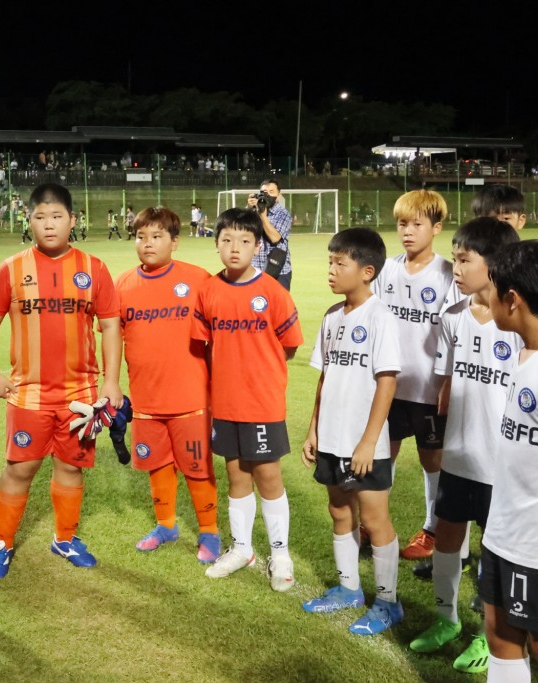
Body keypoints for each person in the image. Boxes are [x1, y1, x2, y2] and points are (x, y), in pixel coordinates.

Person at [0, 183, 123, 579]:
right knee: (19, 469)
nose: (48, 225)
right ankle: (1, 542)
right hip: (28, 395)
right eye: (40, 217)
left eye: (57, 216)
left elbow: (110, 326)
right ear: (29, 220)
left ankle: (64, 538)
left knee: (71, 469)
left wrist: (111, 382)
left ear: (72, 220)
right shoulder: (10, 269)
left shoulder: (93, 269)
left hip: (80, 397)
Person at [407, 218, 521, 674]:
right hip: (459, 457)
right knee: (449, 540)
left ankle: (485, 635)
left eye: (464, 259)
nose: (454, 267)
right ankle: (447, 620)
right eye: (453, 257)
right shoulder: (451, 317)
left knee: (494, 558)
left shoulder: (517, 323)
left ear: (494, 265)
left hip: (501, 467)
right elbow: (448, 385)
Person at [192, 207, 303, 591]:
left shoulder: (272, 291)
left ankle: (281, 553)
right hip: (225, 402)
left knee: (268, 474)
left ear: (257, 245)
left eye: (244, 240)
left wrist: (259, 373)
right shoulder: (208, 290)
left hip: (261, 401)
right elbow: (205, 346)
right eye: (226, 240)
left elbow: (288, 346)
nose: (234, 247)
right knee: (236, 475)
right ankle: (241, 548)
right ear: (216, 244)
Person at [301, 228, 404, 635]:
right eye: (330, 261)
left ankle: (388, 603)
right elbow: (325, 378)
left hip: (366, 444)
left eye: (339, 263)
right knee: (339, 510)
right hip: (331, 435)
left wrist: (368, 441)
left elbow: (387, 381)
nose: (331, 269)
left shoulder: (381, 317)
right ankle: (348, 589)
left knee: (376, 522)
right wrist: (313, 428)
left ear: (366, 271)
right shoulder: (330, 316)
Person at [115, 207, 220, 562]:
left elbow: (220, 333)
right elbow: (113, 338)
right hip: (146, 399)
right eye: (141, 236)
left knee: (196, 466)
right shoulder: (124, 284)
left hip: (191, 396)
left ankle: (209, 532)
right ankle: (166, 525)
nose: (147, 243)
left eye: (157, 236)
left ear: (174, 242)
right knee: (156, 464)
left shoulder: (198, 279)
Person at [371, 190, 459, 565]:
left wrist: (448, 384)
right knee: (381, 454)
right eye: (402, 224)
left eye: (417, 224)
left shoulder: (447, 274)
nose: (407, 232)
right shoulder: (386, 269)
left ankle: (432, 527)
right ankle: (376, 523)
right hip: (388, 385)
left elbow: (456, 333)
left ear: (436, 228)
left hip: (428, 388)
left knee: (432, 459)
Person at [479, 240, 538, 683]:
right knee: (500, 635)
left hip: (531, 543)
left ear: (512, 299)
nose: (486, 296)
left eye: (492, 289)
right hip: (504, 531)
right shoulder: (524, 357)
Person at [246, 179, 294, 290]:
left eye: (271, 192)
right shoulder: (253, 212)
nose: (267, 195)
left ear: (279, 194)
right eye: (264, 192)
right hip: (254, 269)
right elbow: (241, 230)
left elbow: (275, 238)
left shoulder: (283, 214)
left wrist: (262, 216)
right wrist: (249, 208)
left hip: (278, 270)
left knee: (279, 306)